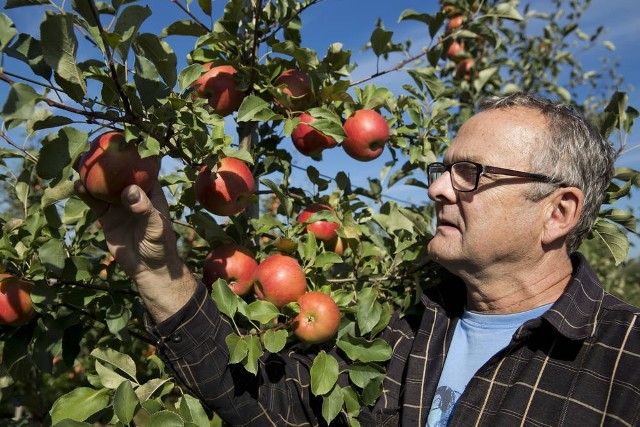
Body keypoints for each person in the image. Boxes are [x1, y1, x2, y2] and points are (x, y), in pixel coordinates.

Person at [75, 93, 640, 426]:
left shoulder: (625, 363)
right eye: (442, 170)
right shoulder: (402, 334)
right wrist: (155, 268)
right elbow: (263, 404)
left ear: (559, 213)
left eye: (471, 174)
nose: (438, 189)